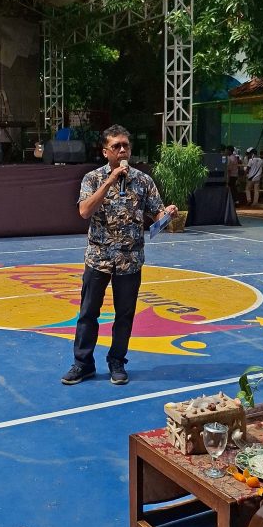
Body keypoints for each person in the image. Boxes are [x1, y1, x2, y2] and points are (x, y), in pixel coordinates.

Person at [61, 125, 177, 386]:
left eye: (126, 145)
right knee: (88, 312)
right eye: (116, 146)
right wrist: (110, 181)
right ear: (106, 152)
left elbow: (156, 216)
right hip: (98, 258)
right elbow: (84, 211)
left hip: (130, 260)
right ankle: (83, 364)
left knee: (124, 314)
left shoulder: (143, 181)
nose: (122, 150)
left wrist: (167, 215)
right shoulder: (92, 179)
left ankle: (117, 361)